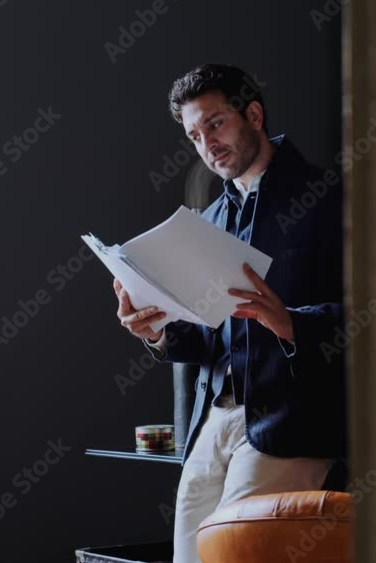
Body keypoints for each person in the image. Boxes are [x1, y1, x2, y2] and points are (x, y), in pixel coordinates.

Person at [113, 63, 346, 563]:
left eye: (215, 124)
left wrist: (290, 323)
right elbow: (205, 336)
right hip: (212, 419)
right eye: (195, 136)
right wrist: (155, 330)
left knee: (236, 553)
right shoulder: (211, 221)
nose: (207, 144)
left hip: (289, 420)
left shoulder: (329, 198)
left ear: (254, 115)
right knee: (187, 556)